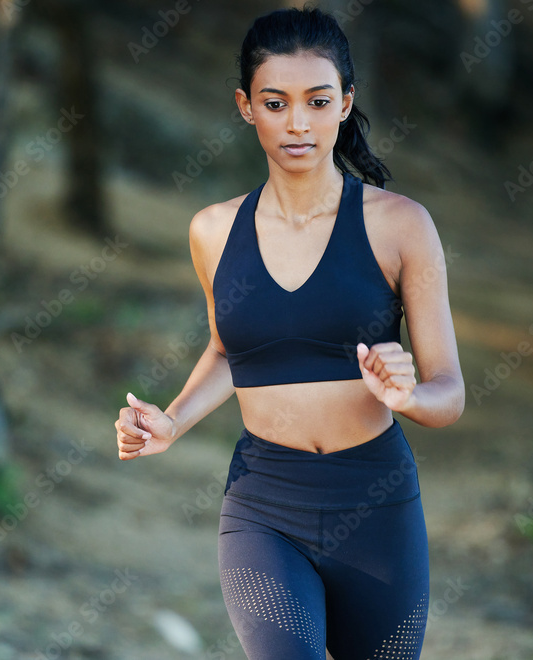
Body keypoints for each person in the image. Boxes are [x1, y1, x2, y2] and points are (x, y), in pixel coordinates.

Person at [115, 7, 464, 659]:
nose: (298, 123)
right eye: (276, 103)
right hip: (264, 504)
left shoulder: (401, 227)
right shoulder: (214, 231)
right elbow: (230, 349)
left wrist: (407, 396)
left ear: (346, 103)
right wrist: (171, 420)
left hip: (378, 505)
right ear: (247, 107)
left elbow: (449, 393)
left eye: (318, 101)